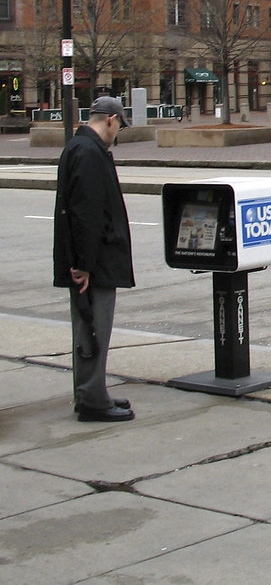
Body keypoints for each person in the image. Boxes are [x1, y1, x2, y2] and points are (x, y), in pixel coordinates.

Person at [53, 96, 136, 423]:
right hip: (94, 262)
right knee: (93, 328)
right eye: (119, 127)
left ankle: (92, 392)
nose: (117, 134)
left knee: (90, 327)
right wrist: (84, 265)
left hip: (90, 258)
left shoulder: (80, 148)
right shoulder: (89, 153)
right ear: (112, 120)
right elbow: (85, 214)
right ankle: (91, 400)